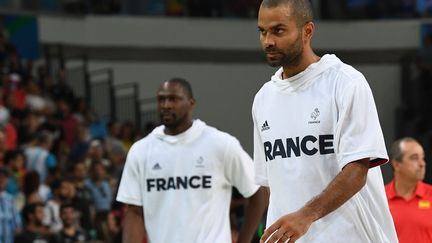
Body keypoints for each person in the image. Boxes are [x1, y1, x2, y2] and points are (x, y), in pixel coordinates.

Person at [253, 1, 398, 242]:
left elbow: (357, 171)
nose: (268, 41)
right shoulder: (263, 99)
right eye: (262, 31)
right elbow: (273, 185)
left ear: (307, 31)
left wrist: (305, 216)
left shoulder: (346, 82)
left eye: (278, 30)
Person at [116, 78, 267, 243]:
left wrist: (243, 241)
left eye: (173, 99)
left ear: (191, 102)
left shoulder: (220, 144)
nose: (166, 105)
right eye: (161, 99)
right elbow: (135, 213)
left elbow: (258, 193)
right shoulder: (141, 151)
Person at [385, 137, 432, 243]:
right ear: (396, 164)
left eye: (422, 158)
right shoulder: (381, 199)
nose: (422, 164)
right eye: (414, 158)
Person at [0, 167, 21, 243]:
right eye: (0, 177)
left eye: (4, 177)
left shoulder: (11, 199)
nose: (1, 180)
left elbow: (17, 225)